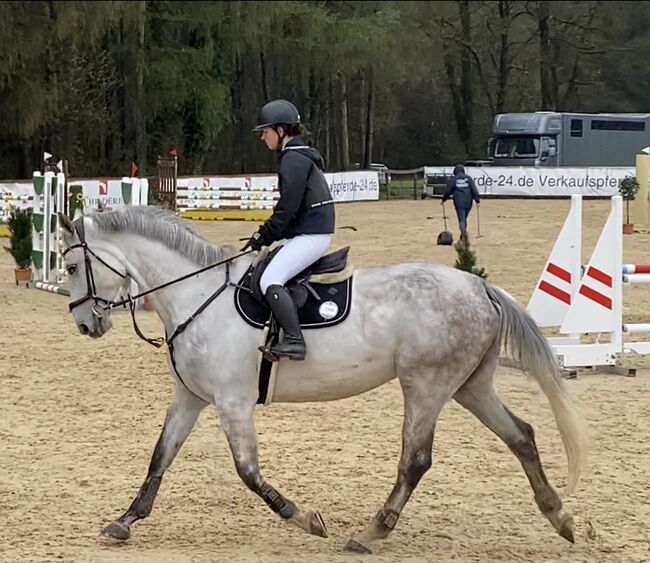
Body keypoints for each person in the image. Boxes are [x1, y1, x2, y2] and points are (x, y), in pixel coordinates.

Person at [241, 99, 336, 361]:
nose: (263, 137)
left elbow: (287, 208)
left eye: (266, 131)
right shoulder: (297, 155)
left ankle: (295, 340)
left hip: (312, 234)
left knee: (268, 279)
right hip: (309, 230)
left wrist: (265, 234)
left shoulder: (292, 159)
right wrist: (269, 234)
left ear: (281, 130)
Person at [441, 164, 481, 239]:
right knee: (464, 217)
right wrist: (477, 200)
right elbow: (474, 189)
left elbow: (448, 191)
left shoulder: (454, 179)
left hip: (459, 201)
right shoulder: (468, 178)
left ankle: (463, 233)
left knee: (461, 218)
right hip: (469, 201)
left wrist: (444, 199)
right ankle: (463, 235)